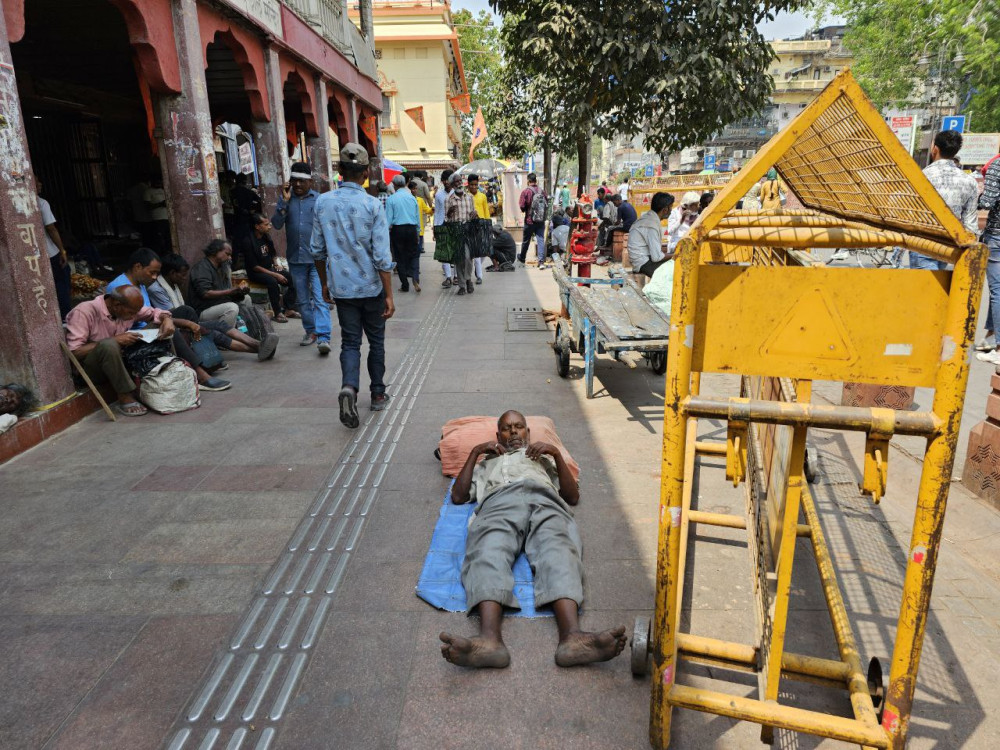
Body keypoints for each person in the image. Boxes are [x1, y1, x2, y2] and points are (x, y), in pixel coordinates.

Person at [439, 410, 627, 669]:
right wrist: (475, 453)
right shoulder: (486, 464)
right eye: (506, 428)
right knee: (487, 551)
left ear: (528, 433)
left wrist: (556, 454)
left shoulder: (544, 460)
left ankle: (572, 638)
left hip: (545, 501)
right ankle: (490, 641)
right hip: (499, 504)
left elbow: (572, 497)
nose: (513, 432)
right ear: (498, 436)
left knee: (559, 549)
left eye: (519, 427)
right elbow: (458, 497)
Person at [312, 143, 395, 427]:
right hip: (371, 287)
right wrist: (389, 295)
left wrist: (325, 284)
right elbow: (383, 256)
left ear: (339, 170)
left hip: (342, 288)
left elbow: (317, 250)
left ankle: (349, 387)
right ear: (365, 173)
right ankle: (378, 394)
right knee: (376, 342)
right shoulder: (373, 204)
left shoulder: (322, 202)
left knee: (350, 342)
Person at [106, 249, 233, 391]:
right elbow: (132, 317)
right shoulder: (120, 287)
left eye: (156, 273)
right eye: (152, 272)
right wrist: (175, 322)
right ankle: (202, 374)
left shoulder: (140, 283)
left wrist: (166, 318)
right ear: (138, 267)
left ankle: (206, 359)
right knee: (175, 329)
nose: (154, 277)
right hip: (131, 334)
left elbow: (150, 311)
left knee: (186, 312)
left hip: (147, 326)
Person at [65, 285, 176, 417]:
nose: (134, 316)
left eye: (136, 313)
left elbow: (153, 313)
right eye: (131, 313)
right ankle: (125, 395)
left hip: (120, 359)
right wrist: (116, 339)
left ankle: (169, 373)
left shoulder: (127, 307)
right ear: (117, 305)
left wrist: (167, 319)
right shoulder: (84, 311)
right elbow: (74, 352)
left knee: (161, 327)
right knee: (109, 345)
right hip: (92, 369)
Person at [149, 253, 279, 361]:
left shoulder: (174, 284)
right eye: (182, 274)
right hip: (178, 324)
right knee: (216, 333)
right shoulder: (156, 288)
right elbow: (172, 314)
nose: (184, 278)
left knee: (220, 325)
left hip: (188, 319)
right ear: (172, 273)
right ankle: (258, 347)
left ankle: (258, 345)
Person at [272, 161, 332, 353]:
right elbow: (276, 224)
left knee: (320, 297)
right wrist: (284, 201)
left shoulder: (320, 200)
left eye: (301, 181)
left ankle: (323, 337)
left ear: (310, 182)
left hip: (317, 259)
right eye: (294, 181)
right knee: (303, 300)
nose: (297, 185)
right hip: (296, 259)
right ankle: (310, 331)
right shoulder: (287, 200)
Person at [912, 130, 979, 271]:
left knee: (925, 290)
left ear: (935, 149)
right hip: (949, 247)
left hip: (922, 243)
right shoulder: (969, 181)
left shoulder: (921, 177)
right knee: (937, 290)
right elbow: (970, 223)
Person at [243, 214, 296, 322]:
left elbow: (273, 254)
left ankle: (288, 308)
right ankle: (278, 313)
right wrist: (275, 274)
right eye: (266, 224)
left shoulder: (266, 237)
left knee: (290, 277)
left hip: (269, 269)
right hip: (256, 273)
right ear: (257, 226)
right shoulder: (248, 241)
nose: (269, 226)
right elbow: (255, 267)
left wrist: (277, 264)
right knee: (272, 282)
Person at [188, 239, 249, 328]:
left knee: (246, 299)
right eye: (227, 254)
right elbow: (205, 293)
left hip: (218, 303)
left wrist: (239, 291)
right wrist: (230, 291)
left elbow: (226, 292)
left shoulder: (222, 267)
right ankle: (226, 337)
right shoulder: (202, 267)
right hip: (202, 310)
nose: (229, 258)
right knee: (232, 308)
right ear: (216, 251)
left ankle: (244, 331)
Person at [975, 155, 1000, 364]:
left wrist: (979, 199)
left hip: (997, 234)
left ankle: (999, 348)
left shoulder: (997, 165)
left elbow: (988, 201)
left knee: (997, 290)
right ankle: (990, 338)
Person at [35, 177, 72, 319]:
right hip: (51, 253)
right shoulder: (41, 203)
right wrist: (62, 250)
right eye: (36, 182)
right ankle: (65, 316)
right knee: (61, 283)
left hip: (35, 256)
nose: (40, 184)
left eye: (39, 181)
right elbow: (51, 227)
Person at [386, 173, 421, 292]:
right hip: (411, 229)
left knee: (399, 257)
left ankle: (405, 284)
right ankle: (414, 277)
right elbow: (417, 218)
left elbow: (388, 220)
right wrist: (417, 232)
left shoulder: (391, 199)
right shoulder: (412, 198)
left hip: (398, 230)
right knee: (412, 254)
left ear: (395, 185)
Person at [445, 173, 479, 294]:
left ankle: (468, 279)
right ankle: (462, 285)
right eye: (456, 182)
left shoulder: (469, 197)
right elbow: (447, 220)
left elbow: (473, 214)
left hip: (468, 231)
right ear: (452, 185)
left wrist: (475, 215)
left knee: (468, 257)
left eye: (460, 181)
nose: (459, 183)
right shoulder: (449, 199)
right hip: (456, 233)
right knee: (459, 259)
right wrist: (449, 213)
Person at [629, 192, 673, 278]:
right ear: (665, 210)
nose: (671, 211)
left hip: (642, 260)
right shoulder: (651, 224)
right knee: (675, 271)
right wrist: (674, 255)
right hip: (643, 263)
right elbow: (656, 257)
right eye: (670, 208)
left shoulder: (650, 218)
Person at [517, 172, 546, 267]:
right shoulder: (542, 191)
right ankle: (541, 261)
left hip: (529, 220)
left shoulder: (526, 191)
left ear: (528, 181)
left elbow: (522, 206)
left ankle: (522, 258)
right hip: (541, 220)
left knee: (526, 240)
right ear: (536, 180)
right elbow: (546, 204)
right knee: (540, 239)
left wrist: (527, 210)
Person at [434, 168, 456, 287]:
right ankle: (448, 277)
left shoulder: (458, 193)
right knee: (444, 252)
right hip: (442, 225)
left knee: (456, 251)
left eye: (449, 180)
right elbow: (437, 212)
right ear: (442, 181)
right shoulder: (438, 195)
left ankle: (456, 276)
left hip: (455, 225)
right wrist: (435, 228)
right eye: (444, 180)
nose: (447, 182)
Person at [468, 173, 491, 284]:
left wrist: (488, 226)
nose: (473, 187)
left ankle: (478, 271)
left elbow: (486, 211)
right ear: (468, 185)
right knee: (475, 253)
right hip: (469, 227)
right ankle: (479, 276)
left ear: (478, 185)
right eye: (471, 185)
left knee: (484, 251)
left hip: (482, 226)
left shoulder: (482, 196)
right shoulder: (466, 196)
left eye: (475, 185)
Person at [143, 171, 172, 255]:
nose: (159, 183)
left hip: (167, 218)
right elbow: (147, 206)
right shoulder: (148, 192)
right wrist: (160, 204)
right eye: (157, 181)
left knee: (168, 239)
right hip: (157, 219)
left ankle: (168, 254)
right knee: (159, 240)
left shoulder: (164, 191)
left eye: (160, 181)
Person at [232, 172, 263, 246]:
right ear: (245, 181)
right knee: (250, 238)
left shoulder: (232, 192)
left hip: (236, 218)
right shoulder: (249, 192)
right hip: (248, 218)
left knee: (237, 240)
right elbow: (260, 201)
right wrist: (253, 210)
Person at [409, 180, 433, 256]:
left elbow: (426, 210)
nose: (415, 190)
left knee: (418, 250)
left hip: (419, 228)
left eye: (416, 188)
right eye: (413, 189)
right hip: (410, 228)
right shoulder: (407, 199)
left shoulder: (420, 200)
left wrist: (432, 210)